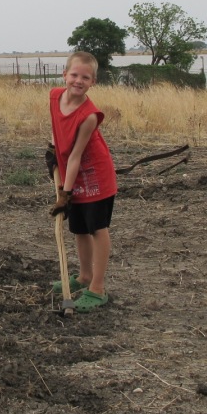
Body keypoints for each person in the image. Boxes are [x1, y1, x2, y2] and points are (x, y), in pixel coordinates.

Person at [47, 51, 117, 313]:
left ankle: (97, 288)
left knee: (96, 228)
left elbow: (76, 155)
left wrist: (64, 194)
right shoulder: (54, 97)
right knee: (79, 229)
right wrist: (52, 149)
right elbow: (56, 127)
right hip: (72, 174)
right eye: (74, 75)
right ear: (64, 75)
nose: (78, 81)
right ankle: (84, 276)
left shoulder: (89, 115)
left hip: (95, 175)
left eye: (85, 78)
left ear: (93, 82)